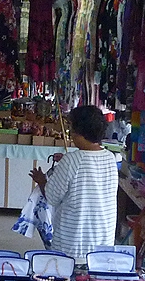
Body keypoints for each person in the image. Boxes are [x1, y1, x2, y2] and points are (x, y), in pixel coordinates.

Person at [29, 105, 118, 263]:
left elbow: (52, 196)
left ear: (79, 132)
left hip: (73, 245)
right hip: (103, 245)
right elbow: (87, 172)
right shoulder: (111, 158)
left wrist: (42, 180)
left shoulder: (72, 160)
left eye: (71, 128)